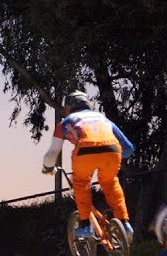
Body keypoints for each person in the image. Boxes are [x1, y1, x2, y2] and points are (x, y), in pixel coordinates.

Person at [41, 91, 136, 243]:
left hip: (84, 152)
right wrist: (113, 155)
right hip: (112, 150)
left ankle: (85, 226)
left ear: (69, 107)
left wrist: (47, 167)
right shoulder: (103, 119)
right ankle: (125, 224)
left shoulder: (65, 122)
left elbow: (52, 153)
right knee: (111, 183)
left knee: (81, 184)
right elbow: (129, 148)